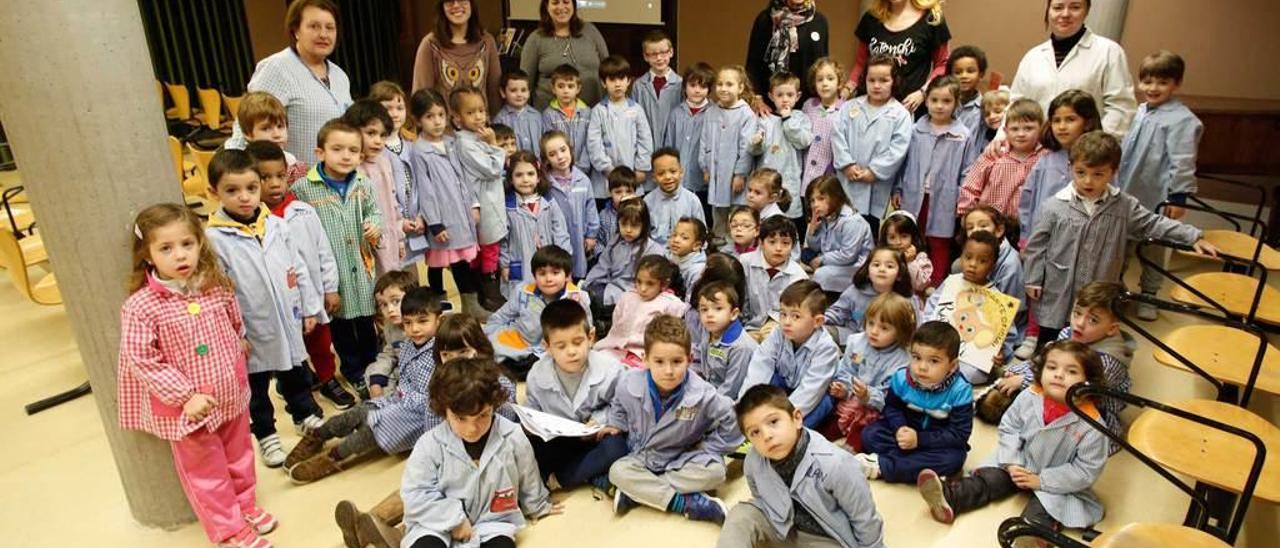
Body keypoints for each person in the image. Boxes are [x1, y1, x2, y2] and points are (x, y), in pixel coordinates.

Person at [118, 203, 278, 548]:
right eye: (166, 248)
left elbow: (234, 321)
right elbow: (142, 359)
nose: (180, 255)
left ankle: (245, 506)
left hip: (229, 393)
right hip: (190, 409)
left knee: (240, 455)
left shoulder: (215, 285)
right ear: (147, 254)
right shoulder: (142, 306)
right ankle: (228, 528)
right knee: (207, 472)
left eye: (187, 244)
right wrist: (184, 397)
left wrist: (239, 345)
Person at [333, 314, 518, 548]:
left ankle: (384, 529)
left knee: (438, 500)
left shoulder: (498, 384)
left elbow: (506, 427)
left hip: (484, 469)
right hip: (447, 466)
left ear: (481, 350)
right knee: (422, 488)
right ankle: (369, 521)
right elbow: (432, 435)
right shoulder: (440, 388)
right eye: (446, 355)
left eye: (462, 353)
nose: (453, 361)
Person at [1023, 131, 1217, 345]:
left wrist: (1192, 236)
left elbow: (1153, 223)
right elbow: (1037, 246)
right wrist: (1033, 278)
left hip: (1100, 285)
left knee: (1093, 338)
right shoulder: (1054, 206)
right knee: (1051, 337)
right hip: (1059, 288)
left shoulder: (1124, 206)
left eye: (1098, 174)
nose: (1088, 181)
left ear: (1113, 172)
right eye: (1081, 172)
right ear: (1070, 168)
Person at [204, 149, 324, 469]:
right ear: (213, 193)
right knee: (256, 387)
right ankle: (267, 435)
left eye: (251, 188)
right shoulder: (213, 240)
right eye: (232, 191)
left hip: (287, 316)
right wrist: (233, 333)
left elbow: (297, 266)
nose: (244, 197)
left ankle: (304, 416)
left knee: (295, 371)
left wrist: (309, 307)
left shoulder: (275, 224)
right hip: (250, 328)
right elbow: (216, 293)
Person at [918, 341, 1109, 534]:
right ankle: (951, 497)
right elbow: (1010, 427)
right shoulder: (1029, 395)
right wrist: (1012, 463)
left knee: (1046, 508)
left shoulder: (1093, 425)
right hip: (1021, 462)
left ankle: (1031, 537)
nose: (1058, 374)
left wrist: (1041, 480)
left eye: (1072, 372)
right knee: (990, 479)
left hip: (1058, 481)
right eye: (1052, 367)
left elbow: (1085, 470)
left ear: (1088, 384)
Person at [285, 288, 448, 484]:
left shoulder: (444, 351)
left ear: (438, 320)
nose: (414, 329)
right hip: (397, 399)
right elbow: (399, 375)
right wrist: (386, 395)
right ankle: (318, 435)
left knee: (370, 430)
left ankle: (333, 458)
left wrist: (392, 406)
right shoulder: (407, 344)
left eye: (423, 321)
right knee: (356, 412)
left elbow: (430, 399)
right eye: (408, 323)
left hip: (417, 415)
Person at [400, 357, 563, 548]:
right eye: (460, 418)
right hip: (437, 525)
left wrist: (538, 506)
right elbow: (416, 494)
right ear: (444, 410)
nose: (472, 428)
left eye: (482, 416)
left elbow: (528, 477)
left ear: (494, 405)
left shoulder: (513, 436)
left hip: (493, 523)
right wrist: (455, 521)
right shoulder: (429, 445)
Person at [602, 315, 744, 524]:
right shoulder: (628, 382)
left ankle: (638, 493)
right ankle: (685, 503)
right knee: (617, 471)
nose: (668, 371)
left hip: (684, 457)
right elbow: (619, 405)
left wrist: (710, 446)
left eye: (677, 362)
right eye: (659, 362)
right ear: (645, 358)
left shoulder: (702, 393)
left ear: (689, 357)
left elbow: (732, 419)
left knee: (716, 472)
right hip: (644, 457)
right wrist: (616, 424)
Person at [248, 140, 356, 409]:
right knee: (289, 348)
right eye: (265, 178)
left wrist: (330, 288)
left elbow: (323, 251)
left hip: (313, 296)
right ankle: (294, 387)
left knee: (320, 341)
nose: (274, 184)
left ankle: (328, 378)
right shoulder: (254, 224)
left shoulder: (304, 211)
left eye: (280, 176)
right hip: (281, 303)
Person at [720, 384, 886, 548]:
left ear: (797, 418)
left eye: (773, 422)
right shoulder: (753, 461)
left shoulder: (836, 464)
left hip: (827, 539)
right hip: (783, 529)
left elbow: (865, 520)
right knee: (740, 516)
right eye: (755, 432)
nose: (767, 436)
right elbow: (761, 498)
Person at [290, 120, 383, 400]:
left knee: (367, 322)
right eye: (338, 149)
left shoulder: (363, 184)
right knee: (341, 327)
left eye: (353, 150)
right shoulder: (304, 189)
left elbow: (374, 212)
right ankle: (354, 372)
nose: (346, 156)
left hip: (362, 267)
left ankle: (373, 366)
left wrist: (374, 225)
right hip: (331, 274)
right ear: (320, 153)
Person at [992, 282, 1132, 452]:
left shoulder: (1107, 361)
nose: (1079, 323)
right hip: (1060, 387)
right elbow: (1047, 361)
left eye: (1093, 320)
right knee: (1014, 387)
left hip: (1088, 405)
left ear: (1111, 329)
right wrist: (1017, 372)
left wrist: (1024, 380)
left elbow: (1074, 391)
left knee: (1064, 443)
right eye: (1077, 313)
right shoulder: (1069, 334)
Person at [1117, 50, 1204, 321]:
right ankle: (1117, 289)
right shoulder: (1141, 111)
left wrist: (1178, 198)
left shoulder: (1183, 120)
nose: (1153, 88)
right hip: (1128, 190)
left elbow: (1184, 162)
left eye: (1162, 82)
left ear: (1176, 84)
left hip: (1158, 197)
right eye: (1148, 82)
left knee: (1154, 246)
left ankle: (1149, 294)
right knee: (1122, 245)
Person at [227, 0, 352, 166]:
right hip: (294, 184)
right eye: (314, 26)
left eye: (330, 27)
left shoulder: (339, 76)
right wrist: (233, 169)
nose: (323, 34)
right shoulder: (277, 68)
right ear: (296, 31)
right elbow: (245, 125)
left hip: (337, 181)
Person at [524, 300, 628, 491]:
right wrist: (535, 428)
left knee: (617, 448)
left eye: (578, 342)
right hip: (560, 441)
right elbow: (532, 412)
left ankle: (560, 479)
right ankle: (592, 476)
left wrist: (601, 420)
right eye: (561, 346)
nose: (571, 352)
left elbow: (622, 405)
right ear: (547, 347)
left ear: (591, 337)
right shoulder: (537, 375)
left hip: (596, 437)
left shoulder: (610, 368)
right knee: (527, 449)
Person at [857, 321, 972, 483]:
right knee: (870, 434)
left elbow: (959, 434)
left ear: (952, 366)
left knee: (955, 459)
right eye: (916, 358)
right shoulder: (901, 378)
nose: (922, 367)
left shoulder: (960, 391)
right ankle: (916, 468)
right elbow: (891, 409)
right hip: (905, 435)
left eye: (933, 361)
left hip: (935, 442)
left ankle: (883, 466)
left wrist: (919, 439)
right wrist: (900, 428)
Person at [407, 88, 487, 317]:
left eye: (441, 115)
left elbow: (465, 177)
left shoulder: (452, 143)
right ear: (418, 120)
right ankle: (437, 303)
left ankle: (470, 305)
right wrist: (435, 223)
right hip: (442, 217)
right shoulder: (420, 151)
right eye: (430, 117)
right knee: (437, 262)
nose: (437, 122)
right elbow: (426, 190)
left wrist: (474, 204)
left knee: (461, 260)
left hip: (461, 212)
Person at [1010, 0, 1136, 137]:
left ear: (1087, 11)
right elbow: (1016, 104)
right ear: (1048, 10)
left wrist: (1095, 145)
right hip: (1036, 149)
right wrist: (1001, 137)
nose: (1065, 14)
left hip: (1086, 152)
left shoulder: (1109, 52)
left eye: (1075, 7)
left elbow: (1121, 108)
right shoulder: (1033, 57)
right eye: (1058, 7)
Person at [892, 76, 971, 284]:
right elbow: (903, 162)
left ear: (956, 103)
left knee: (939, 241)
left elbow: (967, 171)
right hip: (914, 194)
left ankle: (934, 284)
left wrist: (963, 202)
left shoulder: (962, 136)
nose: (939, 106)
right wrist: (898, 189)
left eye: (946, 101)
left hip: (945, 198)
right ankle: (907, 281)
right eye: (934, 100)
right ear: (926, 101)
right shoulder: (916, 130)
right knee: (911, 237)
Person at [741, 280, 841, 429]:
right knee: (768, 380)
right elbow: (760, 366)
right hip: (787, 385)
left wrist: (781, 419)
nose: (786, 322)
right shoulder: (778, 333)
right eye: (783, 314)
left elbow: (811, 391)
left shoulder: (826, 348)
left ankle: (792, 435)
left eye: (796, 316)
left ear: (817, 321)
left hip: (813, 396)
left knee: (822, 405)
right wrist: (746, 406)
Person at [923, 231, 1018, 384]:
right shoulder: (951, 282)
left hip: (970, 360)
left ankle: (950, 382)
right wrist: (926, 329)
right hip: (939, 345)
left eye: (982, 261)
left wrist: (1001, 353)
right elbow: (931, 307)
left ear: (992, 265)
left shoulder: (996, 300)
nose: (973, 264)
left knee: (975, 374)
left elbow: (1009, 335)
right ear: (961, 257)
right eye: (968, 257)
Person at [832, 54, 912, 234]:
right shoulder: (849, 107)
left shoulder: (900, 114)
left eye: (884, 80)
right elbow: (837, 136)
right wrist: (846, 164)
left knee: (868, 228)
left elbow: (898, 149)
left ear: (894, 81)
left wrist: (874, 171)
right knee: (841, 221)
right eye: (872, 80)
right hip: (847, 178)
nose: (877, 85)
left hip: (876, 182)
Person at [829, 293, 916, 453]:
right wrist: (844, 388)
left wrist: (867, 395)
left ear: (900, 331)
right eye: (870, 323)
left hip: (876, 408)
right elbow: (845, 369)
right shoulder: (856, 342)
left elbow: (890, 398)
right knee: (828, 419)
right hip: (849, 400)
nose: (874, 331)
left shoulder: (902, 361)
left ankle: (849, 450)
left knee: (865, 430)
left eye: (884, 328)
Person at [486, 246, 592, 375]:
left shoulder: (577, 298)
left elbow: (587, 328)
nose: (548, 279)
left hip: (557, 346)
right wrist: (488, 335)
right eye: (542, 273)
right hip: (522, 341)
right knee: (493, 347)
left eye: (555, 273)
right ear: (534, 275)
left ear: (567, 275)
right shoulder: (522, 292)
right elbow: (501, 317)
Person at [958, 98, 1048, 245]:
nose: (1021, 134)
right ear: (1006, 131)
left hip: (1026, 228)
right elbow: (972, 184)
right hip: (989, 225)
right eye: (1015, 129)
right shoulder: (995, 153)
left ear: (1041, 129)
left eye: (1028, 128)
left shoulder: (1044, 158)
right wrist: (967, 213)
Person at [1019, 90, 1102, 248]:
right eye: (1056, 120)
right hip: (1043, 244)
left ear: (1088, 123)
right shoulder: (1044, 162)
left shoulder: (1101, 163)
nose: (1062, 127)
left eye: (1070, 119)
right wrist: (1025, 239)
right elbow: (1027, 204)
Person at [453, 86, 510, 314]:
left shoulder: (475, 137)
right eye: (470, 112)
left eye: (481, 110)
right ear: (457, 118)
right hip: (483, 204)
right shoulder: (466, 143)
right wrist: (494, 144)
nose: (478, 116)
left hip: (490, 201)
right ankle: (490, 297)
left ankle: (485, 295)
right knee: (489, 249)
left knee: (485, 249)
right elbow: (493, 169)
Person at [846, 0, 951, 115]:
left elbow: (942, 64)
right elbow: (860, 64)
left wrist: (923, 92)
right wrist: (847, 90)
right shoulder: (871, 18)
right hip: (870, 107)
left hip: (908, 108)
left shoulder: (932, 19)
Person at [342, 100, 404, 275]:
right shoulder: (349, 169)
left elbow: (393, 202)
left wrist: (399, 238)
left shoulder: (384, 162)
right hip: (364, 248)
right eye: (371, 133)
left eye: (383, 135)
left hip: (389, 241)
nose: (378, 141)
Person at [594, 255, 690, 368]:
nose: (643, 288)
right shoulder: (627, 297)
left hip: (646, 354)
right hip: (615, 348)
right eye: (639, 282)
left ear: (664, 284)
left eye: (650, 283)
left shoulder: (671, 304)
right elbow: (616, 322)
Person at [501, 151, 571, 297]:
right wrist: (505, 264)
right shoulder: (508, 207)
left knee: (549, 294)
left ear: (538, 177)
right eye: (519, 175)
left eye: (530, 174)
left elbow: (560, 232)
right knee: (522, 298)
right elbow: (503, 239)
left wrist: (565, 260)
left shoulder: (549, 202)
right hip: (521, 263)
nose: (525, 179)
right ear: (511, 179)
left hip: (548, 262)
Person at [412, 0, 503, 111]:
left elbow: (494, 91)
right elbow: (421, 97)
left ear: (471, 4)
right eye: (449, 1)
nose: (456, 5)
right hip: (443, 126)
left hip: (480, 125)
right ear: (442, 7)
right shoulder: (429, 44)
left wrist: (495, 125)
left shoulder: (487, 41)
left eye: (461, 0)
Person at [701, 65, 758, 242]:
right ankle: (718, 240)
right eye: (719, 84)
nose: (723, 89)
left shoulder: (745, 114)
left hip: (734, 176)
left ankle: (736, 244)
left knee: (735, 210)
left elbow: (746, 148)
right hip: (715, 173)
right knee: (718, 210)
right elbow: (704, 142)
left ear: (740, 88)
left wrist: (740, 174)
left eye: (729, 84)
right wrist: (705, 167)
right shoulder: (711, 112)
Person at [369, 81, 423, 269]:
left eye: (399, 107)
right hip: (392, 224)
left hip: (416, 222)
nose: (394, 113)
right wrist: (400, 222)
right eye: (387, 108)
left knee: (415, 274)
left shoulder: (412, 143)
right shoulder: (376, 150)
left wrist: (421, 215)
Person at [520, 0, 610, 109]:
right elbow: (524, 83)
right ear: (546, 6)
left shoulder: (590, 31)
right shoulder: (536, 39)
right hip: (550, 119)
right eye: (555, 3)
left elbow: (608, 70)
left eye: (566, 2)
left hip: (593, 114)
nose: (561, 7)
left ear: (573, 5)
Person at [749, 72, 813, 222]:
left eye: (790, 95)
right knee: (765, 216)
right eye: (780, 95)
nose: (785, 99)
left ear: (797, 96)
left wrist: (788, 119)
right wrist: (756, 143)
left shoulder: (800, 118)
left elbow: (803, 141)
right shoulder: (765, 119)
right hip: (766, 178)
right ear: (771, 96)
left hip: (789, 177)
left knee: (787, 218)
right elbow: (754, 151)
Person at [588, 55, 655, 196]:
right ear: (603, 83)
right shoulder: (598, 111)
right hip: (606, 180)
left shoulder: (636, 110)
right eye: (612, 80)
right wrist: (608, 170)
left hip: (632, 176)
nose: (617, 84)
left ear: (629, 81)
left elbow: (645, 141)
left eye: (621, 79)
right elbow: (594, 144)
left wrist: (641, 169)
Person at [824, 247, 916, 345]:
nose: (882, 269)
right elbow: (838, 311)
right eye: (876, 265)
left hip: (888, 345)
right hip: (851, 336)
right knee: (821, 332)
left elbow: (913, 330)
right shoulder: (856, 290)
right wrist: (824, 319)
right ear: (867, 271)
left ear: (899, 274)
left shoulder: (906, 300)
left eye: (889, 266)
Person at [583, 197, 665, 307]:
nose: (628, 230)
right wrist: (586, 283)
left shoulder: (653, 249)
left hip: (635, 292)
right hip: (611, 286)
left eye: (634, 225)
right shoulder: (615, 241)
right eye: (624, 224)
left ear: (644, 225)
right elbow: (602, 266)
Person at [745, 0, 831, 102]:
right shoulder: (765, 19)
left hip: (809, 105)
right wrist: (757, 99)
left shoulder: (819, 21)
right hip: (771, 104)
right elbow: (753, 65)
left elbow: (823, 65)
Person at [541, 130, 600, 279]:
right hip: (555, 239)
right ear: (546, 159)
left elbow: (591, 208)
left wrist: (591, 235)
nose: (560, 157)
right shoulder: (545, 185)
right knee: (557, 270)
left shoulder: (583, 180)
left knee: (578, 271)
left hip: (579, 237)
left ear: (570, 149)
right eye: (552, 154)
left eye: (563, 150)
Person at [804, 176, 874, 296]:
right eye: (812, 200)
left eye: (821, 199)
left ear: (835, 197)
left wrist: (822, 259)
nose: (815, 205)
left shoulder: (852, 221)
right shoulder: (826, 216)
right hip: (833, 257)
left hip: (855, 266)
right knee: (805, 253)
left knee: (821, 274)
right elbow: (815, 247)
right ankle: (822, 271)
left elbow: (848, 255)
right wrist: (812, 229)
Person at [741, 216, 809, 336]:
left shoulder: (799, 276)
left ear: (792, 246)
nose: (778, 248)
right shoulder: (745, 262)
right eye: (772, 242)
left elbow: (796, 313)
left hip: (779, 325)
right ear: (761, 243)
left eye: (785, 243)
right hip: (748, 323)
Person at [693, 281, 758, 399]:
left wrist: (706, 404)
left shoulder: (741, 347)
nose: (709, 314)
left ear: (733, 314)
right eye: (704, 309)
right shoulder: (709, 330)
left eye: (718, 308)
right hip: (710, 390)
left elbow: (731, 389)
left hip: (731, 401)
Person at [664, 62, 715, 216]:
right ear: (684, 86)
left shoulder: (714, 113)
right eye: (692, 85)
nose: (697, 90)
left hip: (702, 181)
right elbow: (669, 144)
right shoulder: (676, 113)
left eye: (703, 86)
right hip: (679, 180)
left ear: (709, 89)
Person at [365, 271, 419, 399]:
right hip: (402, 371)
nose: (390, 310)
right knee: (372, 371)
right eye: (383, 304)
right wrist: (376, 382)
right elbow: (389, 353)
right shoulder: (390, 327)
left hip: (423, 375)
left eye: (396, 301)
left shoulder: (425, 325)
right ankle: (387, 404)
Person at [234, 92, 309, 184]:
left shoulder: (293, 164)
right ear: (247, 134)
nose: (277, 134)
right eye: (265, 128)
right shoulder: (241, 167)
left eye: (280, 126)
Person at [801, 58, 846, 197]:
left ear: (839, 83)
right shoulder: (808, 105)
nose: (824, 83)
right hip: (805, 171)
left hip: (828, 172)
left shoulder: (845, 109)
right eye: (819, 80)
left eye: (830, 79)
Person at [632, 30, 683, 148]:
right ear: (645, 56)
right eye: (653, 54)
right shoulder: (639, 86)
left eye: (663, 52)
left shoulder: (681, 84)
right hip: (646, 149)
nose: (659, 58)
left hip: (673, 149)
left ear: (671, 52)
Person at [541, 64, 594, 176]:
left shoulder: (587, 112)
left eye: (570, 86)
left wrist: (582, 166)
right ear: (553, 89)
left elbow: (590, 141)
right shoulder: (548, 114)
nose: (565, 91)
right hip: (559, 170)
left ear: (578, 88)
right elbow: (549, 144)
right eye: (561, 86)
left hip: (585, 170)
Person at [647, 148, 707, 245]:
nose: (667, 177)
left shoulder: (692, 200)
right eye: (661, 173)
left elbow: (702, 235)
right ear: (653, 177)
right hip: (656, 254)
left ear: (681, 172)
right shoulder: (648, 202)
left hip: (686, 254)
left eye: (673, 171)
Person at [492, 70, 545, 156]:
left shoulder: (537, 116)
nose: (519, 94)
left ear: (529, 93)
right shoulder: (500, 120)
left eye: (523, 90)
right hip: (514, 166)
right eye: (513, 90)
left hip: (537, 165)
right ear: (503, 93)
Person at [878, 211, 931, 293]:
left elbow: (919, 286)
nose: (898, 242)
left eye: (904, 236)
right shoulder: (880, 256)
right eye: (892, 237)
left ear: (913, 237)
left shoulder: (920, 258)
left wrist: (910, 262)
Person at [948, 46, 989, 139]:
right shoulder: (944, 105)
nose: (964, 76)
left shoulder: (986, 108)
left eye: (970, 71)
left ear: (981, 74)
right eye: (958, 72)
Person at [597, 167, 638, 248]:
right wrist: (602, 256)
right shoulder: (604, 215)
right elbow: (598, 240)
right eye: (618, 192)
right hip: (609, 258)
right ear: (610, 192)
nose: (624, 195)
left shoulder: (640, 213)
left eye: (629, 191)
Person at [668, 217, 709, 298]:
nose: (676, 240)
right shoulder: (670, 256)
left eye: (684, 238)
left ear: (697, 245)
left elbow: (692, 300)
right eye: (674, 235)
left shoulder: (698, 271)